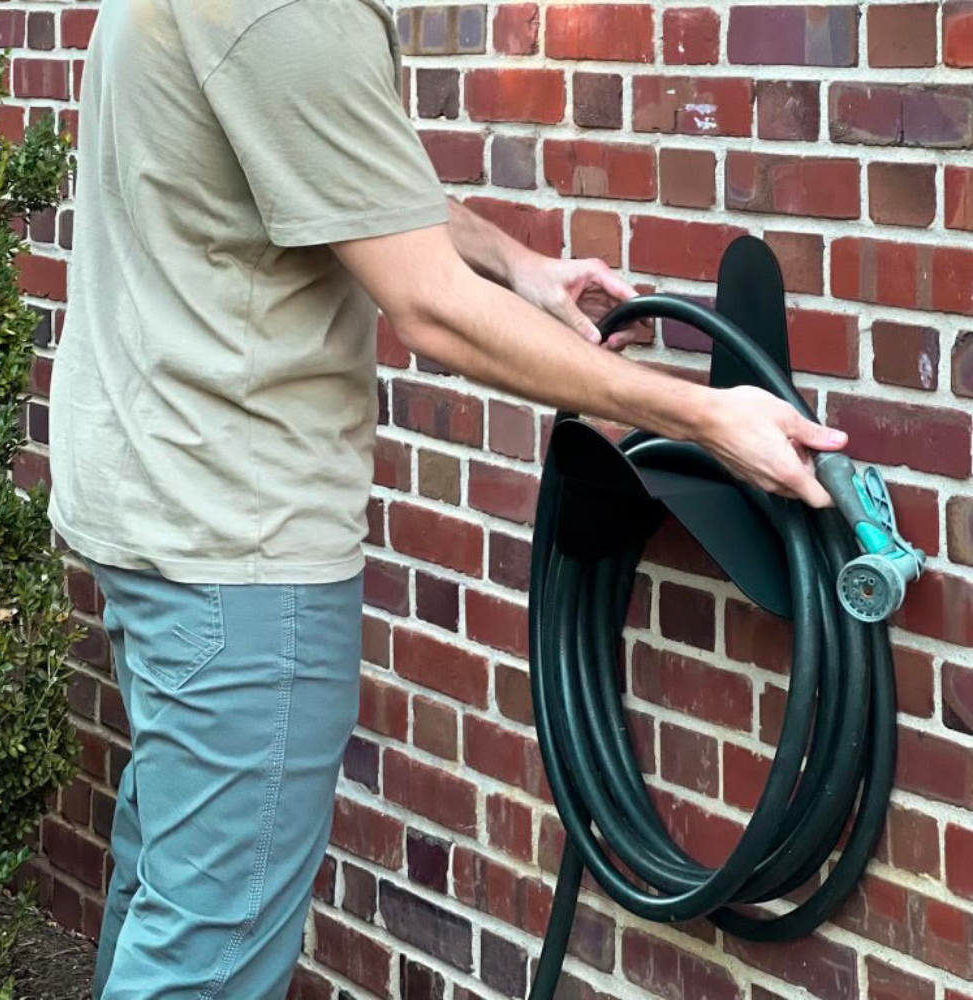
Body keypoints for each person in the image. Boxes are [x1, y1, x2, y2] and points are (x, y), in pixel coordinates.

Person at [47, 2, 849, 998]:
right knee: (206, 956)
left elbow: (337, 166)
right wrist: (698, 413)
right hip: (237, 554)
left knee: (171, 900)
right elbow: (426, 306)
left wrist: (522, 267)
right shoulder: (291, 14)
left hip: (155, 516)